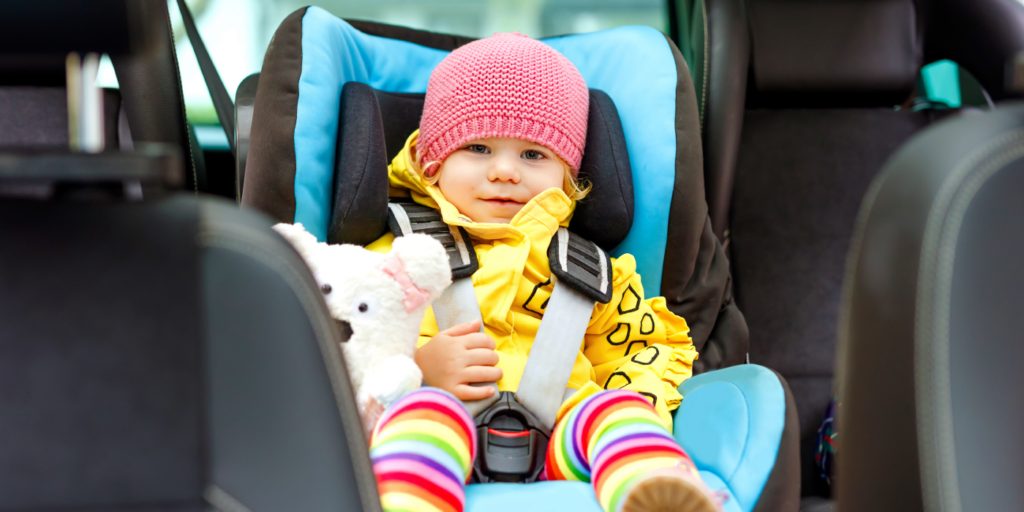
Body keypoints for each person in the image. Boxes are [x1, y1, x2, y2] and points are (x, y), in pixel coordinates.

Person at [365, 32, 722, 512]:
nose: (506, 171)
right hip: (442, 420)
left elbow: (644, 349)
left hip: (563, 434)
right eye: (478, 148)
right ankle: (406, 502)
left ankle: (654, 488)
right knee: (418, 419)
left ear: (568, 177)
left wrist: (633, 401)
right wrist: (418, 370)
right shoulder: (394, 259)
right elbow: (348, 347)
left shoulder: (592, 271)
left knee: (619, 414)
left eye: (534, 155)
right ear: (432, 163)